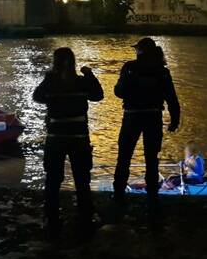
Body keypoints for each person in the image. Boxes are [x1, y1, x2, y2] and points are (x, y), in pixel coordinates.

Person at [33, 47, 104, 241]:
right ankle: (85, 216)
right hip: (79, 137)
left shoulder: (50, 82)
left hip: (56, 137)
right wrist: (89, 74)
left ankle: (52, 217)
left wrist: (50, 78)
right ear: (73, 62)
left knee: (53, 180)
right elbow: (98, 95)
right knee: (82, 179)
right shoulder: (81, 82)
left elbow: (36, 97)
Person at [113, 37, 180, 227]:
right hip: (153, 117)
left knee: (124, 156)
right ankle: (152, 197)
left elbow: (119, 91)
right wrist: (174, 120)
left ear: (140, 51)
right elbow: (172, 98)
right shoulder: (162, 71)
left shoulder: (130, 67)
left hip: (132, 116)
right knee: (152, 159)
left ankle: (118, 196)